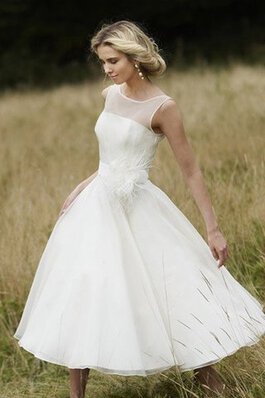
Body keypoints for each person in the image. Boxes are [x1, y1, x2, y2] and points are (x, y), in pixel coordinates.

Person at [13, 20, 265, 398]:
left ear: (135, 57)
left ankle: (207, 380)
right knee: (85, 288)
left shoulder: (164, 107)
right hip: (96, 206)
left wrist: (213, 229)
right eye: (102, 62)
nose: (107, 69)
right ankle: (75, 393)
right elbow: (108, 157)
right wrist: (81, 187)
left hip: (140, 206)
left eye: (113, 60)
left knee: (173, 284)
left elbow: (191, 170)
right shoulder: (109, 95)